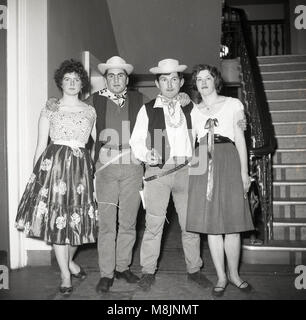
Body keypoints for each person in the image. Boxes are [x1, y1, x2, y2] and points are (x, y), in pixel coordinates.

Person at [15, 59, 97, 296]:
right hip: (55, 170)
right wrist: (35, 178)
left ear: (82, 84)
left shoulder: (90, 111)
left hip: (80, 170)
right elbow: (41, 145)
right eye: (67, 79)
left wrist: (90, 168)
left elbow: (92, 146)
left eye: (76, 79)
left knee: (79, 222)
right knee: (59, 221)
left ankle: (70, 262)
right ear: (60, 83)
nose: (72, 83)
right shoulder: (50, 109)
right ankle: (65, 274)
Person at [130, 58, 212, 292]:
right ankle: (147, 271)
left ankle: (194, 269)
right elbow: (135, 141)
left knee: (190, 224)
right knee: (154, 223)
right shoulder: (147, 110)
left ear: (181, 82)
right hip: (158, 172)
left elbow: (205, 131)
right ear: (157, 83)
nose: (169, 84)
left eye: (174, 79)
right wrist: (147, 154)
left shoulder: (190, 106)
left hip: (187, 170)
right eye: (164, 80)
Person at [186, 64, 254, 297]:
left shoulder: (234, 104)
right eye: (199, 79)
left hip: (228, 159)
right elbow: (188, 143)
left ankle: (234, 275)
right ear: (195, 84)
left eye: (208, 78)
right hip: (202, 162)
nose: (203, 82)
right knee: (212, 227)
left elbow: (240, 139)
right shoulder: (194, 111)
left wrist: (244, 173)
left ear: (215, 81)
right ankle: (221, 276)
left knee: (232, 225)